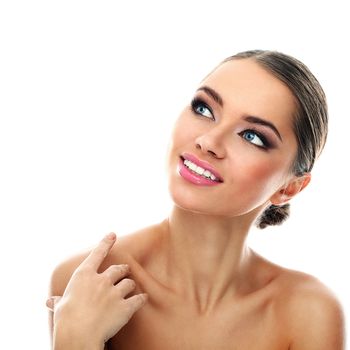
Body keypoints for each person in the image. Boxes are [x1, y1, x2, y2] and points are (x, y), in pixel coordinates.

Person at [47, 50, 345, 349]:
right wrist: (75, 338)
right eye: (204, 109)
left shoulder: (308, 313)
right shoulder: (86, 282)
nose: (209, 141)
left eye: (252, 136)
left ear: (290, 188)